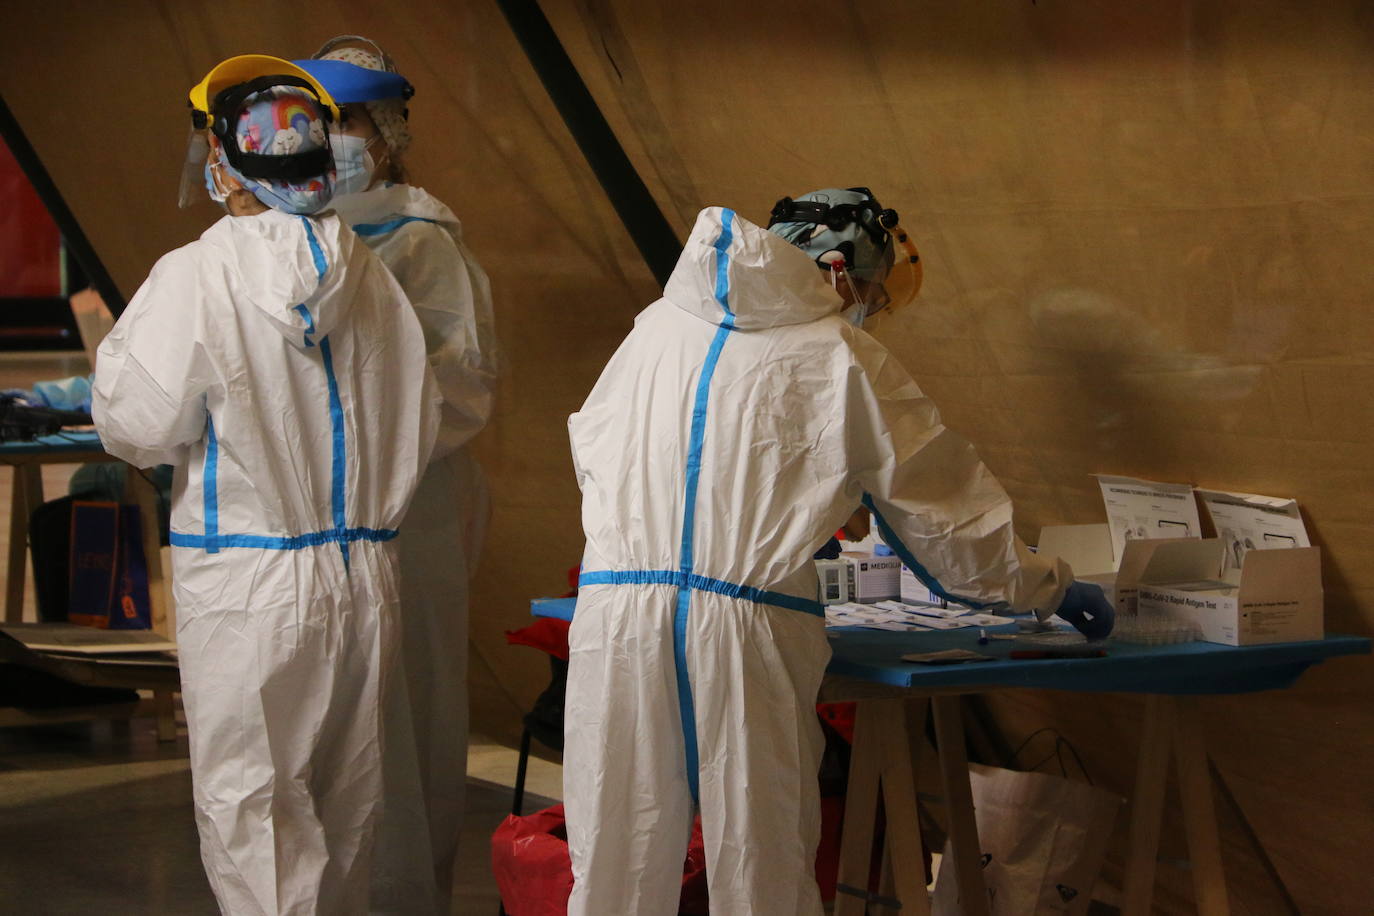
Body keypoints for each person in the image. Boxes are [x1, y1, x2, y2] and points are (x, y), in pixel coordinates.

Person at [563, 189, 1113, 914]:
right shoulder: (841, 354)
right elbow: (942, 508)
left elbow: (601, 451)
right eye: (871, 294)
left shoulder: (652, 329)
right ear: (834, 268)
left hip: (616, 614)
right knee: (762, 864)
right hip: (744, 628)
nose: (868, 311)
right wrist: (1045, 584)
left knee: (613, 862)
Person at [92, 55, 440, 915]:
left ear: (223, 162)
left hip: (249, 585)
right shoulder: (374, 280)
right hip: (365, 578)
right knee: (347, 803)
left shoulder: (197, 277)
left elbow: (136, 423)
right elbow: (422, 421)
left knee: (254, 811)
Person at [295, 36, 499, 914]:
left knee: (404, 720)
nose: (336, 139)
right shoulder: (284, 238)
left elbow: (462, 391)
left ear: (385, 135)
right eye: (320, 122)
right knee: (324, 731)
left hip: (402, 517)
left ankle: (407, 897)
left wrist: (349, 403)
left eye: (351, 122)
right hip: (308, 524)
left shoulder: (420, 242)